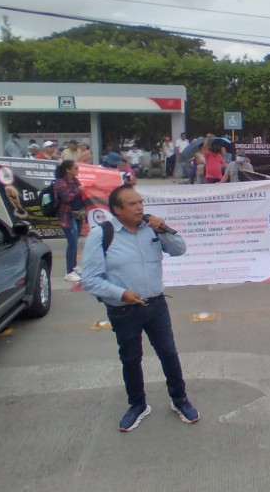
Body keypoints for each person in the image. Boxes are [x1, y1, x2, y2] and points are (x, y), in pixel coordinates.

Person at [81, 184, 198, 432]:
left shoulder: (151, 229)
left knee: (169, 353)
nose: (139, 207)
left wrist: (164, 228)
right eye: (132, 204)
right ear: (116, 209)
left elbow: (180, 249)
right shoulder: (102, 235)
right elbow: (89, 279)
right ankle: (137, 405)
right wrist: (121, 293)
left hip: (156, 305)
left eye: (141, 202)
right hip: (123, 310)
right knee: (131, 359)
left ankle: (180, 399)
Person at [54, 160, 85, 282]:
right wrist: (78, 190)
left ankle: (74, 265)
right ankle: (69, 272)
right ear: (68, 170)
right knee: (72, 242)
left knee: (75, 241)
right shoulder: (60, 182)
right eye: (75, 168)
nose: (77, 170)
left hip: (77, 214)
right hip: (67, 216)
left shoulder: (75, 181)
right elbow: (66, 197)